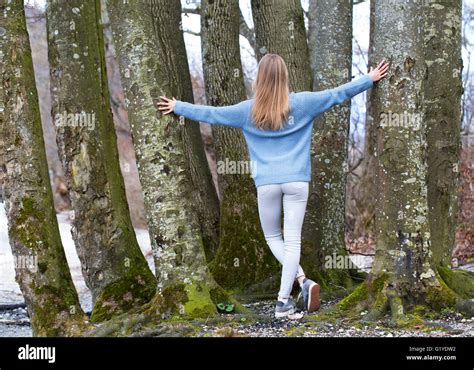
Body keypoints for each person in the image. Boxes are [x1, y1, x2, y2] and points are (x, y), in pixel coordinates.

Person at [158, 54, 389, 318]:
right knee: (292, 241)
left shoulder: (248, 110)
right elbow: (338, 94)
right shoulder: (303, 103)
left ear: (259, 80)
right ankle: (295, 289)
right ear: (285, 77)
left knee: (272, 238)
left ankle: (289, 295)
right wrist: (369, 80)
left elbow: (211, 114)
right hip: (297, 181)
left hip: (266, 183)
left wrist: (178, 106)